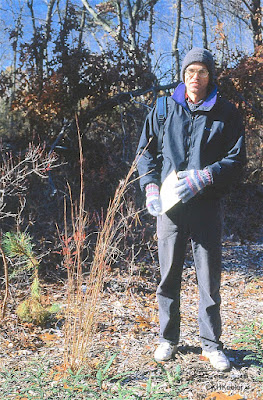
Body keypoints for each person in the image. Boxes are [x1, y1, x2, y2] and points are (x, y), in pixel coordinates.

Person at [136, 47, 246, 371]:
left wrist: (207, 175)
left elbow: (237, 161)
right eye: (189, 72)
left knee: (209, 280)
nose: (195, 78)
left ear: (210, 76)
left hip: (206, 208)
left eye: (201, 71)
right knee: (168, 276)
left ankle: (211, 346)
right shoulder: (163, 108)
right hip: (169, 209)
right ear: (182, 75)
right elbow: (146, 152)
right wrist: (150, 187)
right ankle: (168, 339)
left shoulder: (226, 113)